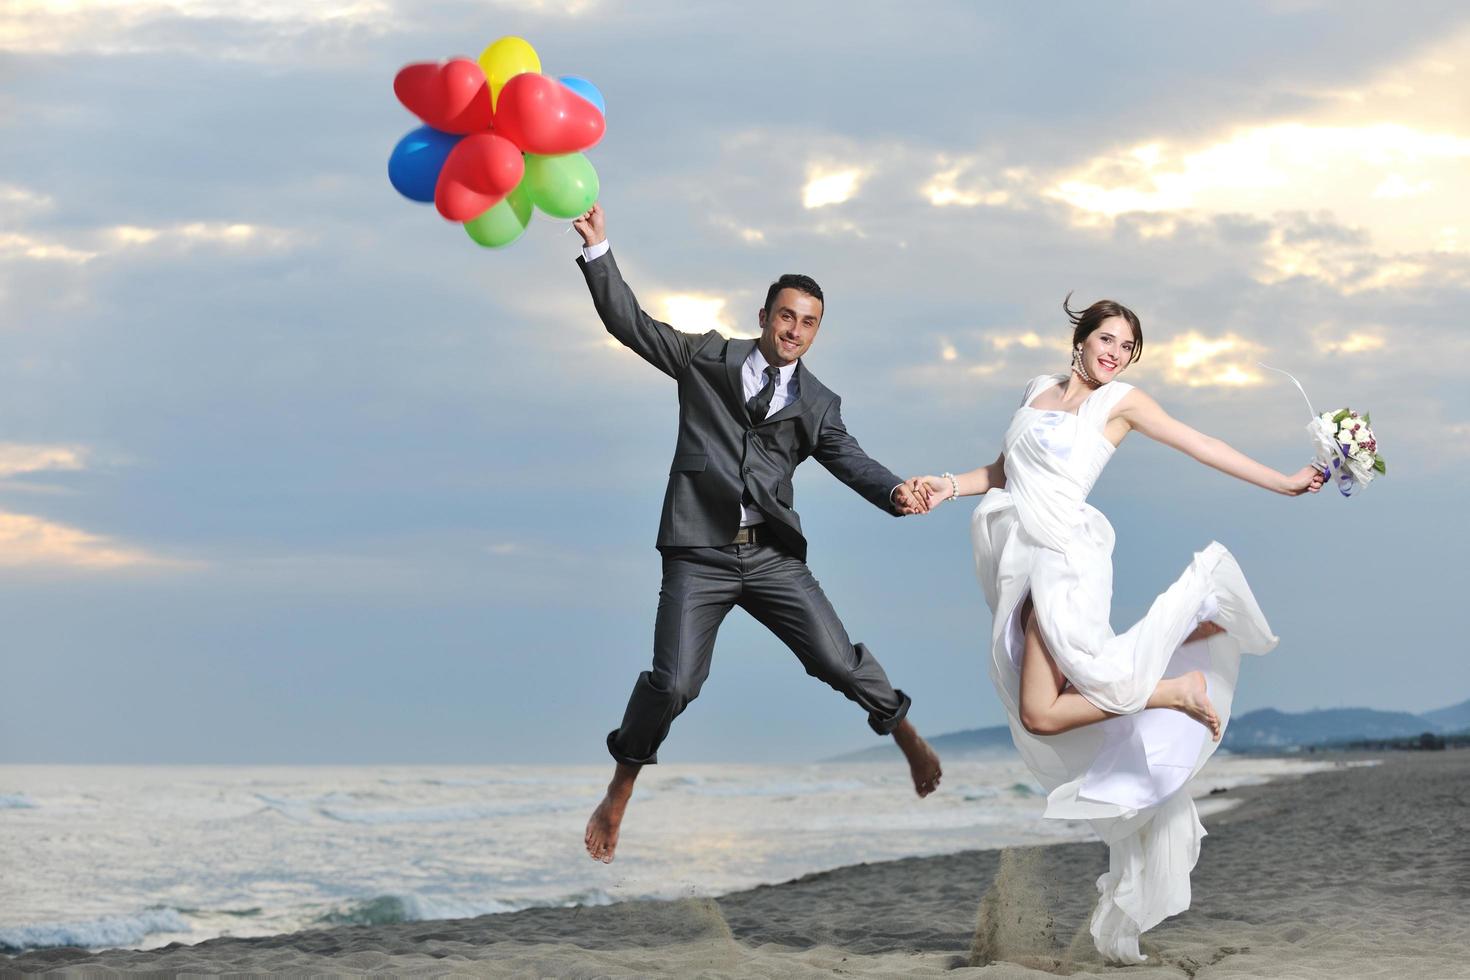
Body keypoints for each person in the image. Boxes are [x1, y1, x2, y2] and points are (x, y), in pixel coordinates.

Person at [910, 296, 1321, 963]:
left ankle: (1177, 689)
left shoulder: (1122, 402)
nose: (1115, 353)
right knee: (1039, 710)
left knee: (1047, 709)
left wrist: (1282, 482)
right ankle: (1174, 689)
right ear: (1079, 339)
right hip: (1023, 554)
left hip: (1066, 560)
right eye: (1107, 339)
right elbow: (1006, 471)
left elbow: (1201, 444)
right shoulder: (1035, 392)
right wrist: (944, 486)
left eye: (1127, 347)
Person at [572, 204, 943, 864]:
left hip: (770, 556)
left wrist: (893, 489)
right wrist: (600, 249)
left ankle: (903, 729)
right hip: (700, 552)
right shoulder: (704, 359)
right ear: (765, 315)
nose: (795, 330)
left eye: (809, 323)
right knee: (675, 682)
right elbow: (628, 324)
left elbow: (849, 457)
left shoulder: (818, 403)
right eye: (786, 316)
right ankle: (622, 785)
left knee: (834, 658)